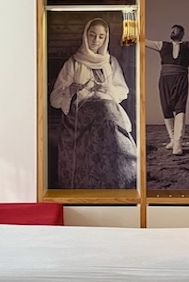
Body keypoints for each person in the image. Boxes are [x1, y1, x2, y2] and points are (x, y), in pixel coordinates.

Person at [50, 18, 137, 189]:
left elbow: (122, 92)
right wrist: (70, 91)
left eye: (101, 37)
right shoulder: (73, 63)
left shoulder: (111, 62)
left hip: (107, 110)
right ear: (85, 36)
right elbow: (55, 98)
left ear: (106, 39)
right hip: (81, 113)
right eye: (92, 35)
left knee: (107, 111)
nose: (96, 41)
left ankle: (119, 178)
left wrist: (107, 88)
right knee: (105, 111)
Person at [145, 24, 189, 155]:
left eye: (176, 30)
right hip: (164, 80)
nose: (173, 31)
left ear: (182, 34)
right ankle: (173, 139)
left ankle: (178, 144)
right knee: (166, 109)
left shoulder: (188, 46)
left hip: (181, 80)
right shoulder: (162, 45)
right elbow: (143, 41)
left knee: (180, 108)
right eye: (172, 29)